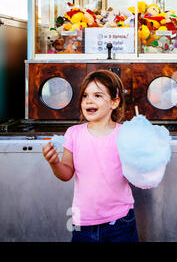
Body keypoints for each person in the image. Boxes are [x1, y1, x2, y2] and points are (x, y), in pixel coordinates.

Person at [41, 70, 138, 242]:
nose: (89, 100)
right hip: (82, 222)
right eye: (85, 95)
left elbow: (138, 172)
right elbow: (66, 174)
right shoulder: (73, 134)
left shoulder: (126, 134)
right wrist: (54, 162)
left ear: (114, 102)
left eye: (98, 95)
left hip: (120, 221)